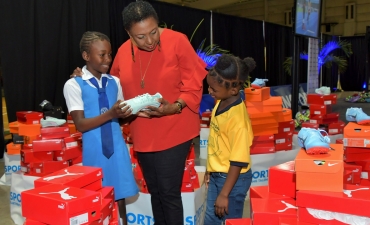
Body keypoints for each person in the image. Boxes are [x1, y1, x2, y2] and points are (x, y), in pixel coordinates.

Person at [71, 1, 207, 224]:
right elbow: (110, 85)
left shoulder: (177, 40)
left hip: (175, 126)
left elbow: (193, 85)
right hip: (142, 131)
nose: (151, 40)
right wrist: (82, 76)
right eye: (141, 36)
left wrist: (175, 106)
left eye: (154, 32)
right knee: (155, 191)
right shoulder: (124, 52)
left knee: (168, 191)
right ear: (128, 33)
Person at [63, 31, 139, 225]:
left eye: (110, 54)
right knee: (96, 199)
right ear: (86, 56)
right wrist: (111, 114)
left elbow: (119, 118)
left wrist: (135, 111)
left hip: (117, 148)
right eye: (102, 54)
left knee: (120, 195)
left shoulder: (115, 82)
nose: (108, 59)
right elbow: (80, 124)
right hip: (95, 150)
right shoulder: (74, 85)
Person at [204, 54, 255, 224]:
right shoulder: (221, 101)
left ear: (233, 90)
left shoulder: (238, 121)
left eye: (213, 89)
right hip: (218, 175)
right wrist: (210, 169)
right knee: (211, 219)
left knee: (229, 221)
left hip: (233, 180)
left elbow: (237, 161)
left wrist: (225, 194)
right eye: (208, 87)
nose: (209, 92)